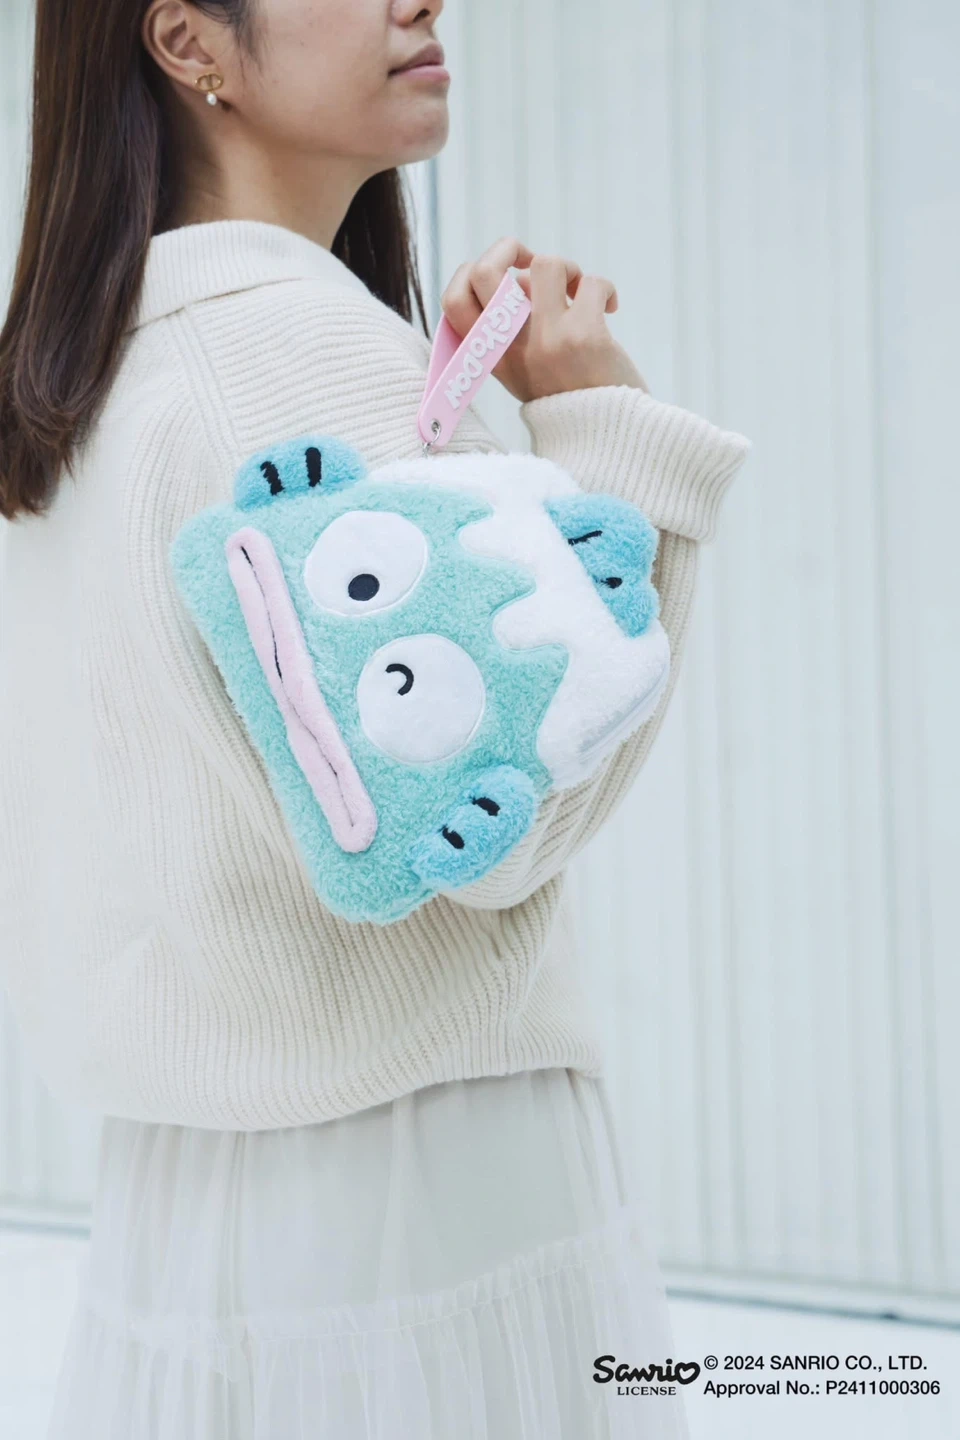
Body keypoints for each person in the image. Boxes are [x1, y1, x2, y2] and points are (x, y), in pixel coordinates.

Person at [0, 1, 751, 1436]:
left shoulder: (91, 384)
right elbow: (496, 836)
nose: (422, 0)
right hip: (425, 1183)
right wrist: (608, 438)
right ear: (187, 43)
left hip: (186, 1193)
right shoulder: (303, 358)